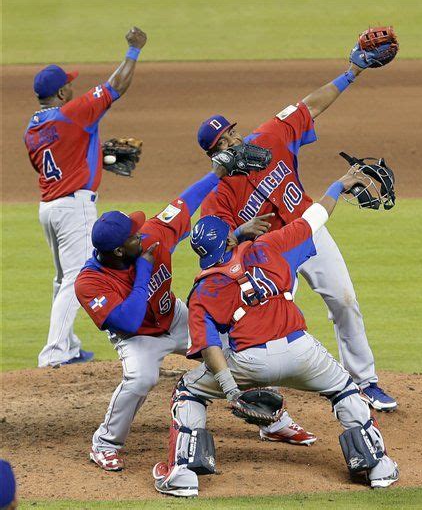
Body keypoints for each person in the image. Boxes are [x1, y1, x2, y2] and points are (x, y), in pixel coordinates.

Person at [152, 167, 399, 497]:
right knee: (344, 388)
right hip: (303, 353)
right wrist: (339, 185)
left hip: (249, 364)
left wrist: (230, 390)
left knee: (188, 391)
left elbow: (210, 347)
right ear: (230, 238)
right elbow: (314, 218)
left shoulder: (203, 291)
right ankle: (378, 466)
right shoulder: (267, 248)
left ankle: (183, 473)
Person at [196, 36, 397, 412]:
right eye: (226, 140)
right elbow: (211, 248)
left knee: (345, 300)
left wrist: (352, 72)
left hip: (309, 228)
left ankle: (365, 381)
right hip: (270, 259)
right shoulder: (217, 195)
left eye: (234, 131)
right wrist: (239, 233)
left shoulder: (270, 135)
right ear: (215, 154)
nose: (236, 139)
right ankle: (262, 403)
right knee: (267, 326)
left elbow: (310, 106)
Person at [74, 161, 314, 472]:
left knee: (237, 346)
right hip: (137, 338)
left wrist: (218, 172)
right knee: (141, 379)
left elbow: (185, 202)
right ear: (119, 251)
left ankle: (272, 421)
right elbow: (130, 321)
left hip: (173, 317)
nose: (141, 233)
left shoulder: (152, 235)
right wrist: (145, 269)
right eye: (134, 235)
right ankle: (105, 443)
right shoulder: (90, 283)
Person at [24, 27, 147, 368]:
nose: (73, 87)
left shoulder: (32, 130)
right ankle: (54, 353)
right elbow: (115, 87)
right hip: (72, 207)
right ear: (62, 92)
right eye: (69, 84)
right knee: (76, 276)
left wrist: (92, 155)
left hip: (48, 207)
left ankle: (68, 345)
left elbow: (54, 162)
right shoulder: (72, 113)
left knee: (61, 277)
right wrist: (134, 50)